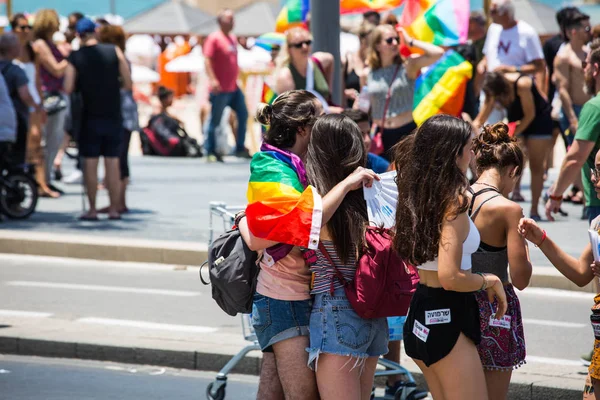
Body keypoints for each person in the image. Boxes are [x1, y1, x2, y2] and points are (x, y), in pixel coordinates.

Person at [237, 90, 378, 400]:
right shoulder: (271, 166)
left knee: (273, 392)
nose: (325, 123)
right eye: (320, 118)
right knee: (303, 396)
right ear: (301, 129)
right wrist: (345, 185)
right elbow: (292, 225)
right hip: (283, 297)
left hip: (299, 295)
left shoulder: (299, 164)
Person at [394, 114, 507, 400]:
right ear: (451, 151)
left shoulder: (416, 190)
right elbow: (450, 277)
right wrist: (489, 280)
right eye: (469, 146)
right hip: (447, 313)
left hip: (421, 308)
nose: (473, 153)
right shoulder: (453, 200)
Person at [304, 114, 387, 399]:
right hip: (372, 308)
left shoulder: (319, 194)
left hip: (336, 306)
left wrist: (344, 184)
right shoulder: (366, 194)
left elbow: (310, 225)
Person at [518, 145, 600, 396]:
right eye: (593, 170)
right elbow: (580, 272)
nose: (593, 178)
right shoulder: (598, 223)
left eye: (599, 171)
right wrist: (540, 239)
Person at [470, 122, 532, 400]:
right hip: (495, 307)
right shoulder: (508, 209)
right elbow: (521, 278)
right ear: (513, 170)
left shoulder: (456, 196)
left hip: (456, 299)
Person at [64, 17, 132, 221]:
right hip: (113, 115)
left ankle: (92, 209)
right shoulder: (114, 51)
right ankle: (112, 208)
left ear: (78, 35)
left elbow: (68, 87)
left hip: (88, 116)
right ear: (95, 32)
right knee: (112, 163)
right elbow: (128, 83)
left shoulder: (76, 56)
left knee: (90, 164)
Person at [474, 71, 553, 221]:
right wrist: (474, 127)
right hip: (517, 120)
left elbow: (530, 115)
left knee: (536, 166)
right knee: (509, 164)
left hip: (539, 121)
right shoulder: (494, 81)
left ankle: (535, 209)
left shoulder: (522, 84)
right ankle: (505, 207)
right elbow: (484, 113)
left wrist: (511, 135)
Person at [366, 24, 444, 160]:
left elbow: (438, 53)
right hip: (380, 135)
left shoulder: (408, 65)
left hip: (405, 132)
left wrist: (410, 42)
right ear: (377, 46)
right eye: (389, 40)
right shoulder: (369, 72)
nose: (395, 43)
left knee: (408, 175)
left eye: (397, 39)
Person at [546, 40, 600, 224]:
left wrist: (555, 195)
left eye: (585, 64)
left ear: (595, 68)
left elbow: (575, 158)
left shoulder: (594, 107)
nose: (583, 70)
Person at [10, 14, 57, 198]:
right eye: (22, 27)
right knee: (24, 145)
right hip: (17, 104)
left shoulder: (32, 50)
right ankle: (24, 182)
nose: (26, 31)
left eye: (28, 27)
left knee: (37, 144)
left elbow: (37, 79)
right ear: (13, 29)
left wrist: (41, 103)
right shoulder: (7, 50)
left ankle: (41, 183)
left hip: (33, 102)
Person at [98, 24, 139, 214]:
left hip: (122, 113)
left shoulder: (118, 59)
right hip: (126, 113)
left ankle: (119, 202)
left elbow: (126, 84)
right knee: (121, 158)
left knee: (119, 158)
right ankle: (119, 200)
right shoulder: (122, 58)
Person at [554, 9, 592, 208]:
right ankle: (585, 198)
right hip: (575, 111)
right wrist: (572, 119)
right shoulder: (564, 56)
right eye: (586, 28)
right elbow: (563, 90)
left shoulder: (588, 52)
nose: (589, 31)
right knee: (578, 157)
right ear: (574, 31)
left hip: (591, 109)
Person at [203, 8, 250, 162]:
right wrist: (213, 79)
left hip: (233, 87)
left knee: (243, 114)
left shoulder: (232, 38)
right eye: (230, 19)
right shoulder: (214, 38)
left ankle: (240, 147)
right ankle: (210, 150)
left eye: (233, 19)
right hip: (220, 88)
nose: (233, 22)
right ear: (221, 21)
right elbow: (207, 60)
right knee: (215, 120)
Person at [32, 9, 69, 193]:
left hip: (53, 95)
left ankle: (45, 179)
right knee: (49, 140)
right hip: (49, 96)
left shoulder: (47, 44)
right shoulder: (41, 45)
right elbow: (55, 69)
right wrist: (70, 58)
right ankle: (42, 181)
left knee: (54, 140)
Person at [274, 27, 339, 112]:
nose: (304, 47)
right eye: (298, 45)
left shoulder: (318, 61)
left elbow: (330, 58)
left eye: (308, 42)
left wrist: (329, 92)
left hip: (324, 120)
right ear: (289, 49)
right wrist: (328, 109)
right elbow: (291, 113)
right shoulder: (285, 76)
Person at [0, 33, 40, 166]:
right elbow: (25, 94)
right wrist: (36, 107)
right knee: (16, 158)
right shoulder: (16, 70)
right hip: (15, 119)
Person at [343, 22, 374, 108]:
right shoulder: (348, 59)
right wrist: (347, 93)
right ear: (360, 39)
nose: (371, 46)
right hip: (351, 112)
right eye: (368, 42)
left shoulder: (376, 62)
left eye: (374, 43)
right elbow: (337, 91)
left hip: (371, 113)